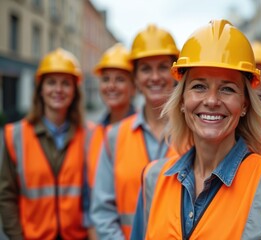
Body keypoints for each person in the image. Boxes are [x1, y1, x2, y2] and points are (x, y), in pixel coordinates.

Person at [131, 19, 261, 239]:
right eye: (199, 86)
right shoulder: (153, 179)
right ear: (182, 100)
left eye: (227, 89)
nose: (211, 100)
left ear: (245, 104)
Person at [90, 24, 179, 239]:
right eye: (146, 69)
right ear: (136, 78)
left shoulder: (197, 133)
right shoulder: (115, 136)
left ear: (176, 72)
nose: (155, 77)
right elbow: (103, 211)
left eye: (163, 67)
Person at [0, 48, 87, 239]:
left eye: (66, 83)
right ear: (40, 89)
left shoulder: (89, 135)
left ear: (75, 90)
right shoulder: (15, 135)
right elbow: (6, 196)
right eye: (51, 82)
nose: (58, 89)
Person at [83, 43, 136, 239]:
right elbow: (88, 191)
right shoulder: (92, 133)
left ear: (133, 86)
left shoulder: (145, 133)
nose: (111, 86)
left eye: (120, 79)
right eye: (106, 79)